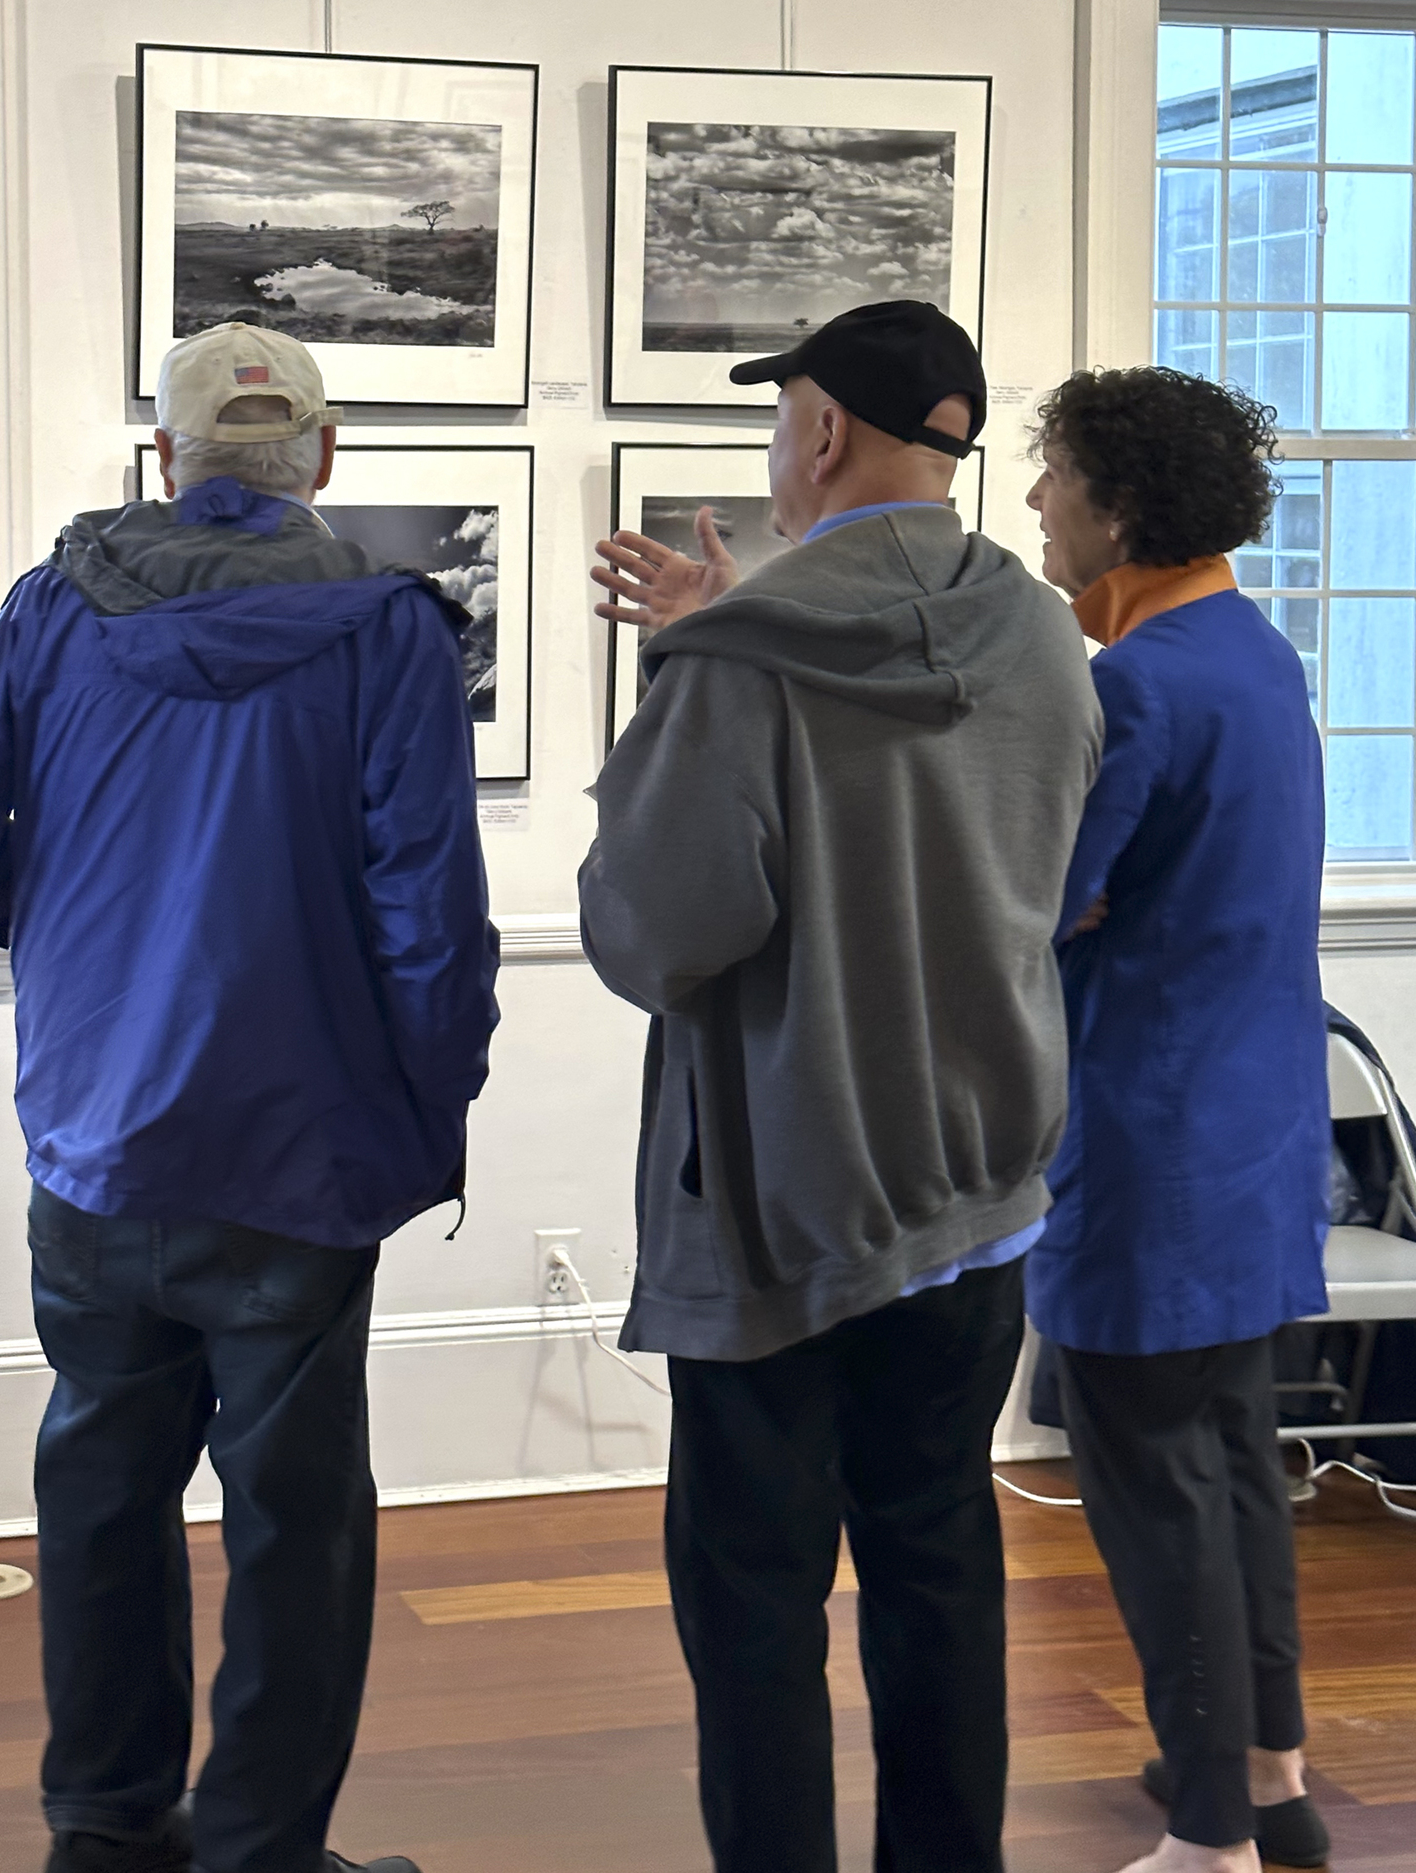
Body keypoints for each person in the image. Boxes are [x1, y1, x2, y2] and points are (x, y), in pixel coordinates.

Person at [0, 322, 500, 1873]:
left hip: (100, 1138)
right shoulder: (386, 631)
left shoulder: (54, 611)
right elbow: (429, 914)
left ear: (165, 460)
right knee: (296, 1518)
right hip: (308, 1152)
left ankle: (103, 1825)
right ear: (322, 454)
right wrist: (434, 1109)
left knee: (101, 1480)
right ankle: (255, 1844)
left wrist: (59, 933)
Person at [581, 300, 1102, 1873]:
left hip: (785, 1216)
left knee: (753, 1604)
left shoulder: (742, 664)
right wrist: (725, 630)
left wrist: (701, 666)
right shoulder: (1039, 634)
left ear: (814, 433)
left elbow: (659, 935)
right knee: (939, 1559)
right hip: (977, 1198)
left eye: (780, 417)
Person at [1023, 367, 1331, 1873]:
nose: (1035, 503)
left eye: (1054, 475)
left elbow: (1055, 899)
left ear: (1119, 506)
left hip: (1153, 1140)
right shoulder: (1256, 654)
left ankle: (1207, 1831)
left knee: (1151, 1489)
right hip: (1258, 1133)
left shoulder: (1138, 683)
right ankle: (1271, 1779)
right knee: (1231, 1456)